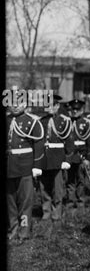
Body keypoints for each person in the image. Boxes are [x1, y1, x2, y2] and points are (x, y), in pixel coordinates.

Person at [6, 97, 45, 242]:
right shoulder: (7, 120)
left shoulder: (33, 121)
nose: (15, 106)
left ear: (25, 104)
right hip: (9, 166)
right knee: (10, 201)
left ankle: (24, 231)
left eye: (19, 103)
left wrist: (37, 166)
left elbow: (39, 145)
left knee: (25, 201)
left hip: (25, 166)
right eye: (12, 103)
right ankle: (13, 229)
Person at [38, 94, 74, 225]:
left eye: (51, 105)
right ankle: (46, 211)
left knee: (58, 188)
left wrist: (67, 159)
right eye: (46, 105)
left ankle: (56, 213)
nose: (49, 108)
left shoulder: (64, 121)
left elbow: (69, 142)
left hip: (59, 158)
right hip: (44, 158)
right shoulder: (41, 121)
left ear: (57, 106)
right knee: (43, 187)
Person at [65, 99, 90, 209]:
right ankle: (70, 199)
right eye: (73, 109)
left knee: (81, 179)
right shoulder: (66, 122)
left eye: (77, 109)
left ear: (82, 110)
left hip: (81, 155)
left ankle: (80, 199)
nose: (75, 111)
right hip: (69, 155)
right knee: (69, 179)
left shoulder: (86, 123)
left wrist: (88, 158)